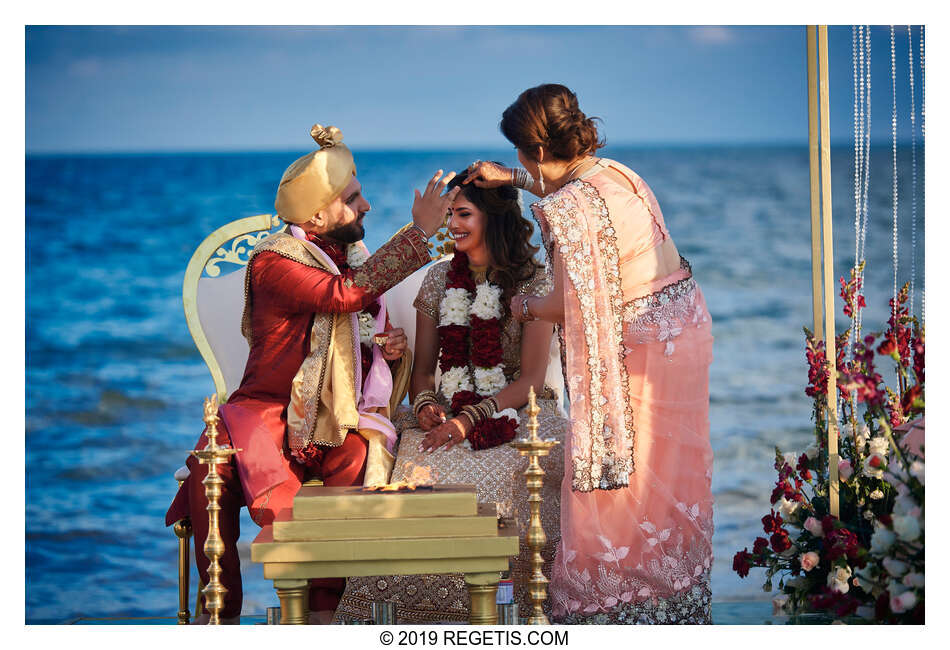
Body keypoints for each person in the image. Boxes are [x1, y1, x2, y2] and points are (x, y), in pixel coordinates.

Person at [165, 124, 460, 624]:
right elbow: (342, 296)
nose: (365, 206)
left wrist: (385, 352)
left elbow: (350, 326)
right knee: (214, 477)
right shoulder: (274, 262)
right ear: (318, 214)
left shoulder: (349, 257)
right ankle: (222, 620)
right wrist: (419, 232)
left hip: (329, 419)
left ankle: (326, 618)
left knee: (360, 462)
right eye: (354, 197)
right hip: (265, 414)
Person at [465, 84, 715, 624]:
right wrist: (513, 178)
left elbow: (567, 303)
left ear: (532, 149)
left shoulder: (566, 208)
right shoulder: (617, 173)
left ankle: (613, 609)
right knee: (663, 481)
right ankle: (671, 605)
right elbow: (567, 183)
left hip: (642, 350)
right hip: (684, 329)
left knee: (616, 485)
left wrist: (523, 306)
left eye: (516, 153)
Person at [333, 171, 568, 624]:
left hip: (521, 413)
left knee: (500, 477)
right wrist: (424, 406)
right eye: (449, 215)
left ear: (494, 220)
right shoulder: (439, 279)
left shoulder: (533, 282)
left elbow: (533, 381)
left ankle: (502, 615)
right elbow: (423, 373)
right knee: (416, 474)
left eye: (464, 214)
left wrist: (470, 420)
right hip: (449, 412)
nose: (453, 224)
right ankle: (408, 619)